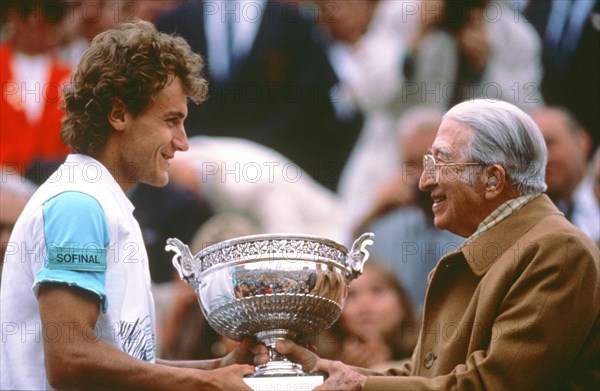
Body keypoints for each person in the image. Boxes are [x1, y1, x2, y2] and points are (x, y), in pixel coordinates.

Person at [266, 99, 600, 390]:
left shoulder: (557, 251)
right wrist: (320, 370)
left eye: (439, 162)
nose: (424, 181)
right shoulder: (499, 249)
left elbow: (493, 385)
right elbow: (424, 374)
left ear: (493, 179)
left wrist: (360, 386)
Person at [0, 20, 260, 390]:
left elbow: (126, 365)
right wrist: (207, 385)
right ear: (119, 114)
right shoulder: (79, 204)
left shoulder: (100, 200)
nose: (183, 143)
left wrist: (218, 367)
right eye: (171, 121)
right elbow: (71, 360)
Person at [353, 106, 462, 314]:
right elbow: (351, 268)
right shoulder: (388, 226)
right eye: (411, 164)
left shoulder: (476, 219)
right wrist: (373, 212)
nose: (422, 178)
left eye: (431, 162)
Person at [1, 0, 72, 183]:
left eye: (49, 11)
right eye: (26, 9)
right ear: (11, 14)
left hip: (51, 187)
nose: (36, 20)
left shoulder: (71, 77)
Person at [316, 261, 418, 369]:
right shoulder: (316, 366)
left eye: (377, 290)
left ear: (402, 303)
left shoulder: (429, 360)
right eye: (351, 295)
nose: (365, 304)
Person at [531, 106, 599, 244]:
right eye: (533, 149)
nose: (542, 157)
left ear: (582, 141)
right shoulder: (532, 217)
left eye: (549, 143)